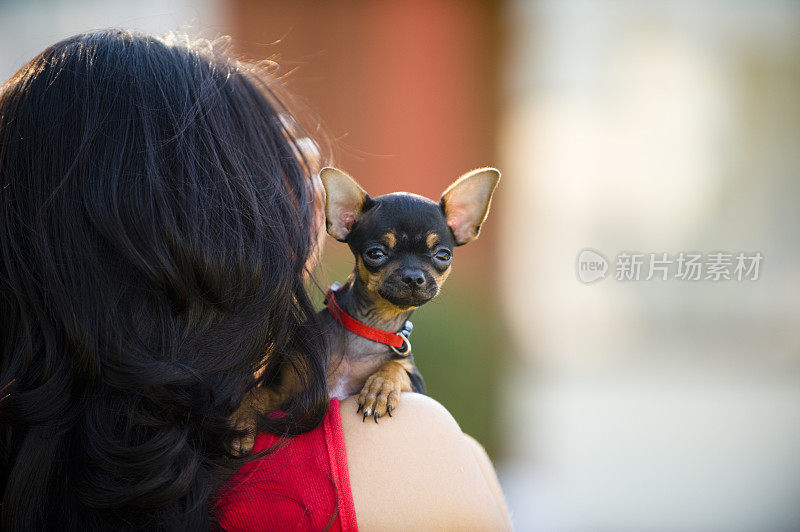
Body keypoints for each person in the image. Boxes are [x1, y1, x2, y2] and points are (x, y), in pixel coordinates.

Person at [0, 30, 510, 530]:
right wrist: (467, 463)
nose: (311, 153)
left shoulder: (28, 451)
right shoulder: (409, 454)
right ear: (195, 228)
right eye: (275, 144)